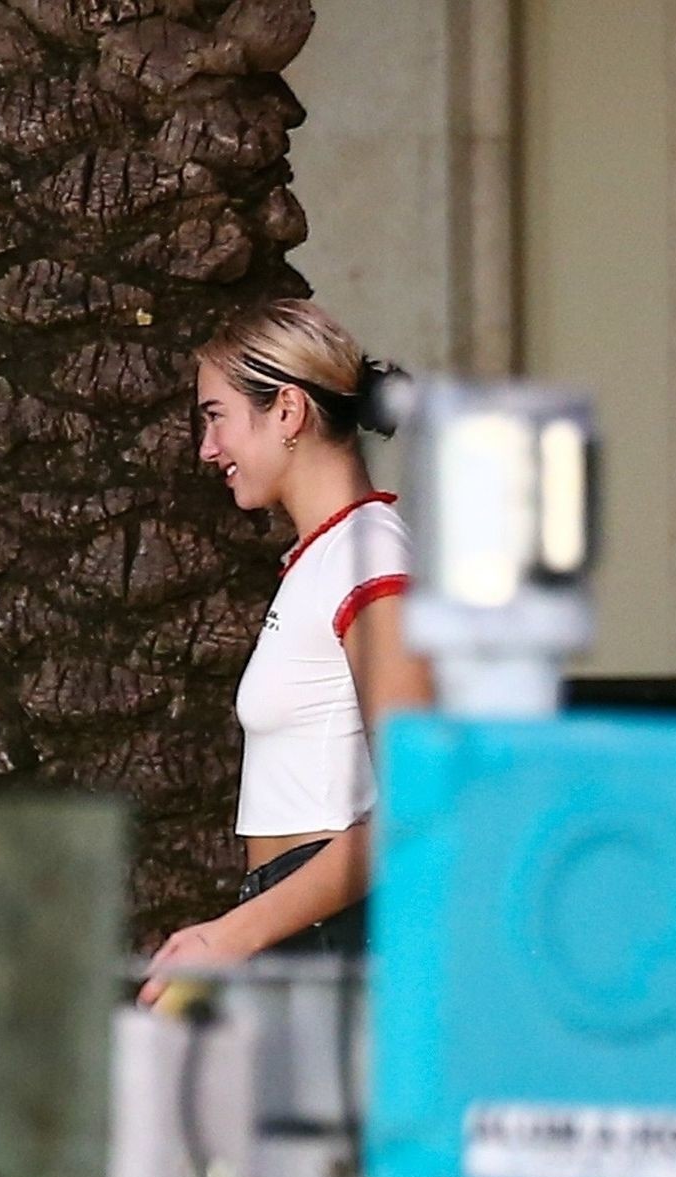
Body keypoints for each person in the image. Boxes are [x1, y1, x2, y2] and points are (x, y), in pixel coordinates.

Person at [139, 299, 432, 1006]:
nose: (207, 448)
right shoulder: (329, 556)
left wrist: (235, 934)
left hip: (337, 938)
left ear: (288, 411)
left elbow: (420, 802)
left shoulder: (368, 557)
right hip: (304, 930)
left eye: (216, 416)